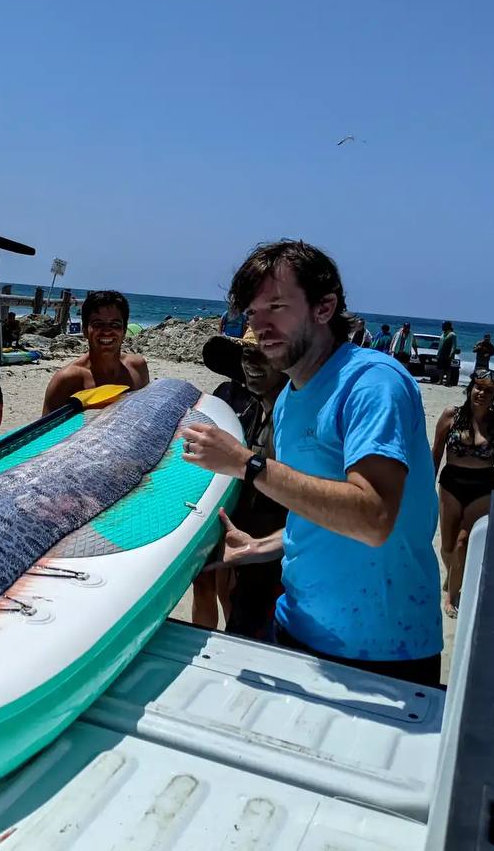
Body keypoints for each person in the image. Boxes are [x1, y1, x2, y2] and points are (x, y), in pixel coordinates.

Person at [182, 240, 442, 686]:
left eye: (277, 307)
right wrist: (261, 546)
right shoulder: (288, 400)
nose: (260, 325)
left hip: (383, 649)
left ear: (325, 308)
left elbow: (373, 517)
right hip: (295, 626)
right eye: (252, 312)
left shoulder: (372, 383)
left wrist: (248, 463)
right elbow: (320, 510)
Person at [193, 328, 288, 637]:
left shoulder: (294, 415)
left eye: (264, 354)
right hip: (226, 515)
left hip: (271, 534)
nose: (253, 363)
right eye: (248, 353)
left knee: (245, 608)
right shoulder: (230, 397)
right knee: (211, 585)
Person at [431, 370, 494, 617]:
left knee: (462, 542)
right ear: (470, 389)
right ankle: (453, 575)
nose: (481, 393)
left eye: (488, 391)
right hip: (451, 484)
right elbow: (436, 453)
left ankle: (451, 596)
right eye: (478, 387)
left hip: (483, 487)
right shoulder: (450, 415)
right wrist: (428, 484)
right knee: (447, 545)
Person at [41, 290, 150, 414]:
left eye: (114, 324)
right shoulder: (66, 380)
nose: (107, 331)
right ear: (85, 331)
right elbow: (45, 431)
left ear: (124, 330)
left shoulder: (138, 367)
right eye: (98, 324)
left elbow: (145, 414)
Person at [434, 321, 458, 386]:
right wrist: (438, 354)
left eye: (443, 325)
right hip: (441, 354)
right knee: (440, 368)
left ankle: (447, 382)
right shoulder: (442, 334)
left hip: (447, 355)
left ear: (447, 326)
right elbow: (440, 346)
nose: (442, 327)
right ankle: (440, 381)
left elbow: (454, 345)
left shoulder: (452, 335)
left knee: (447, 369)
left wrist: (451, 353)